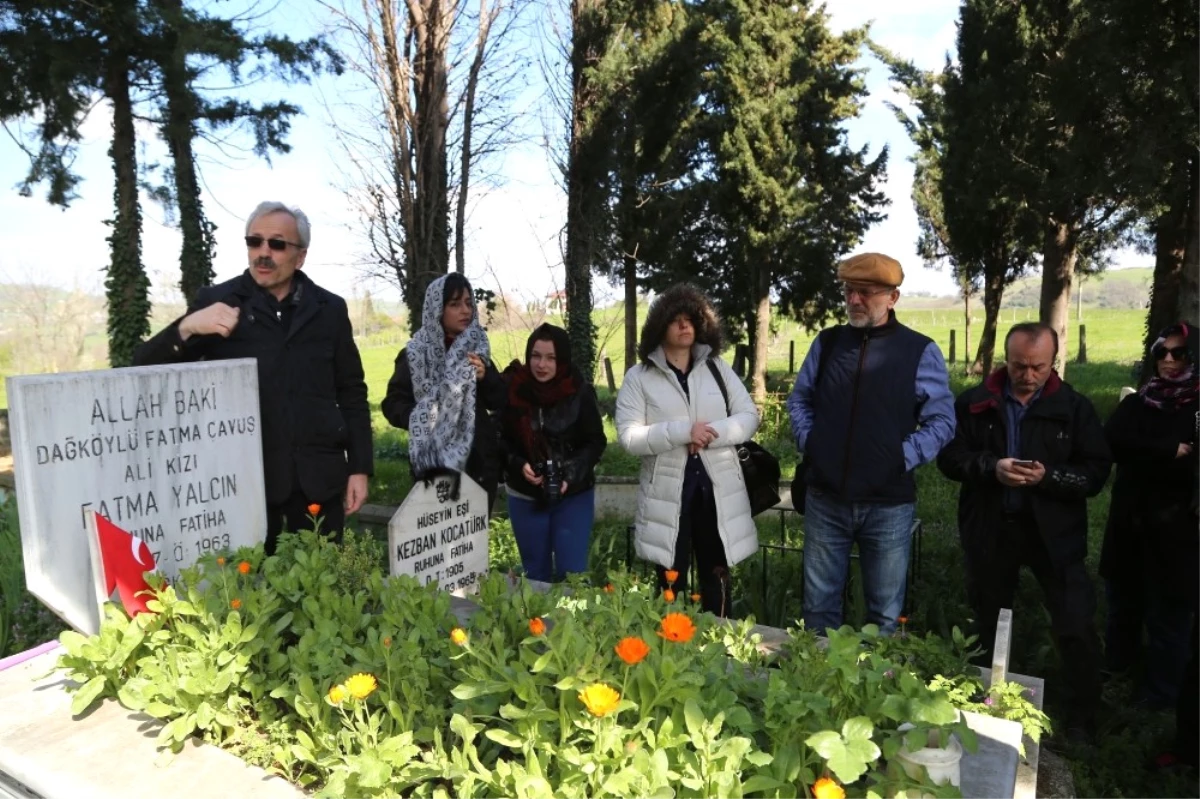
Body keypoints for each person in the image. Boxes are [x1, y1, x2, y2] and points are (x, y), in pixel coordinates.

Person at [134, 201, 373, 554]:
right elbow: (140, 367)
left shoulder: (330, 309)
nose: (263, 253)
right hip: (246, 485)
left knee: (325, 590)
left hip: (319, 482)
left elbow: (351, 391)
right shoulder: (217, 302)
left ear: (300, 256)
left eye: (277, 244)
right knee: (251, 595)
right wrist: (187, 327)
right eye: (254, 241)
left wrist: (360, 467)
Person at [937, 322, 1112, 740]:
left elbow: (1095, 474)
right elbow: (949, 458)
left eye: (1039, 367)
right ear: (1006, 358)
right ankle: (985, 706)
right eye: (1019, 366)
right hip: (991, 527)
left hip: (1055, 533)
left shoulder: (1074, 408)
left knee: (1074, 621)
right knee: (988, 618)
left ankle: (1082, 717)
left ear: (1053, 361)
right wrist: (990, 467)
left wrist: (1048, 477)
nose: (1029, 375)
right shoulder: (976, 402)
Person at [785, 252, 954, 635]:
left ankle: (877, 690)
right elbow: (799, 400)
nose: (855, 300)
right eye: (849, 291)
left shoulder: (919, 350)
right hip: (826, 497)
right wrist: (813, 442)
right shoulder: (827, 344)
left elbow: (942, 420)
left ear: (892, 297)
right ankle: (819, 686)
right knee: (819, 607)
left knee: (884, 615)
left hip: (888, 503)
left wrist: (900, 457)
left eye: (866, 292)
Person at [615, 284, 760, 616]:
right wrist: (683, 432)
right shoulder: (639, 378)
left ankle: (722, 654)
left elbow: (748, 416)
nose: (684, 326)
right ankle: (672, 653)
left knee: (717, 579)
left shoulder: (717, 368)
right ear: (659, 326)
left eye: (690, 320)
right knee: (670, 585)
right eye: (675, 319)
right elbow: (629, 436)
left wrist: (709, 434)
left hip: (716, 494)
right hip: (668, 498)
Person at [1101, 322, 1200, 710]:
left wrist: (1145, 452)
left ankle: (1161, 697)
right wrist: (1166, 449)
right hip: (1130, 523)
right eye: (1163, 353)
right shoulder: (1138, 402)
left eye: (1180, 353)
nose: (1170, 361)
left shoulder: (1196, 408)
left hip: (1178, 531)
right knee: (1122, 604)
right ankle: (1117, 672)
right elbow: (1111, 443)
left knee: (1168, 615)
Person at [381, 273, 506, 511]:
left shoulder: (477, 349)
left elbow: (499, 399)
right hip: (435, 469)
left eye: (469, 303)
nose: (465, 311)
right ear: (437, 308)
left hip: (479, 466)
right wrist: (424, 416)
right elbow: (392, 404)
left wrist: (486, 376)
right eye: (455, 304)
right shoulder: (415, 355)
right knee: (441, 545)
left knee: (473, 544)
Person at [499, 324, 606, 582]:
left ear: (563, 359)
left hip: (573, 494)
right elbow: (499, 438)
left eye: (551, 358)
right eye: (536, 356)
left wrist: (570, 473)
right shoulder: (513, 388)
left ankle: (571, 622)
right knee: (535, 574)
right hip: (524, 494)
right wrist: (518, 463)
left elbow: (596, 441)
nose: (541, 365)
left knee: (573, 574)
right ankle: (537, 623)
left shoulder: (578, 391)